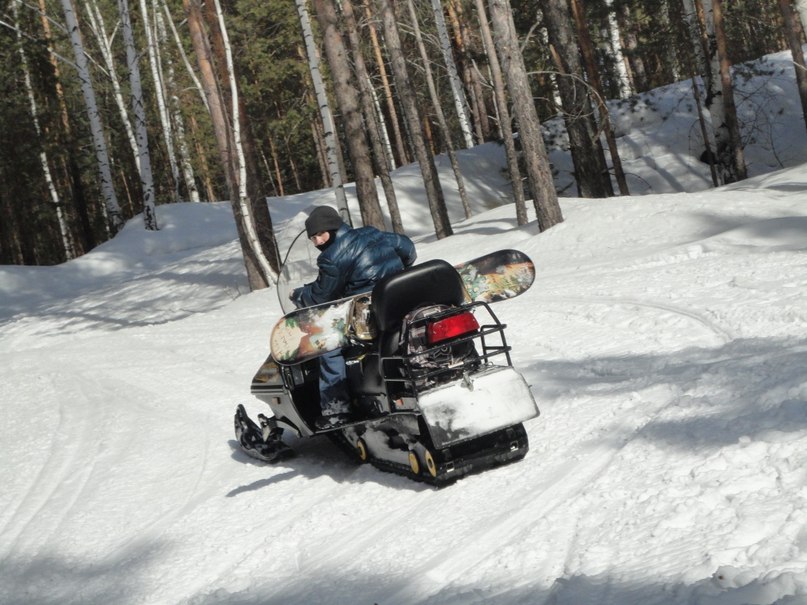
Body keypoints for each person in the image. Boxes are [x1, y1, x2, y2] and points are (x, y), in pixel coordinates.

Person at [291, 206, 416, 428]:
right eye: (313, 238)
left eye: (320, 234)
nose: (318, 242)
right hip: (402, 300)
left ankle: (336, 411)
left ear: (333, 227)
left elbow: (320, 295)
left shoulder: (332, 257)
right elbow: (408, 248)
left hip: (368, 316)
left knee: (328, 346)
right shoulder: (372, 232)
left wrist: (299, 294)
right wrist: (396, 277)